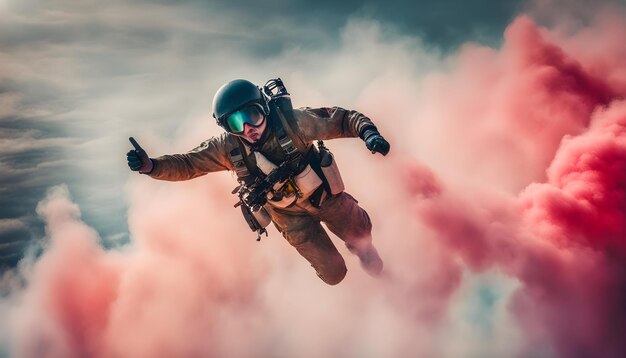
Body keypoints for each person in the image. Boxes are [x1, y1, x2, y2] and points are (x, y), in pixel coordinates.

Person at [127, 78, 390, 285]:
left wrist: (369, 134)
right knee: (334, 274)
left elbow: (343, 120)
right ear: (226, 127)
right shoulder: (227, 148)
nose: (247, 129)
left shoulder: (294, 123)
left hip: (326, 197)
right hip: (290, 218)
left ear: (264, 107)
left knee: (362, 233)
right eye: (234, 123)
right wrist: (151, 166)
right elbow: (188, 164)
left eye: (251, 116)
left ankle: (365, 253)